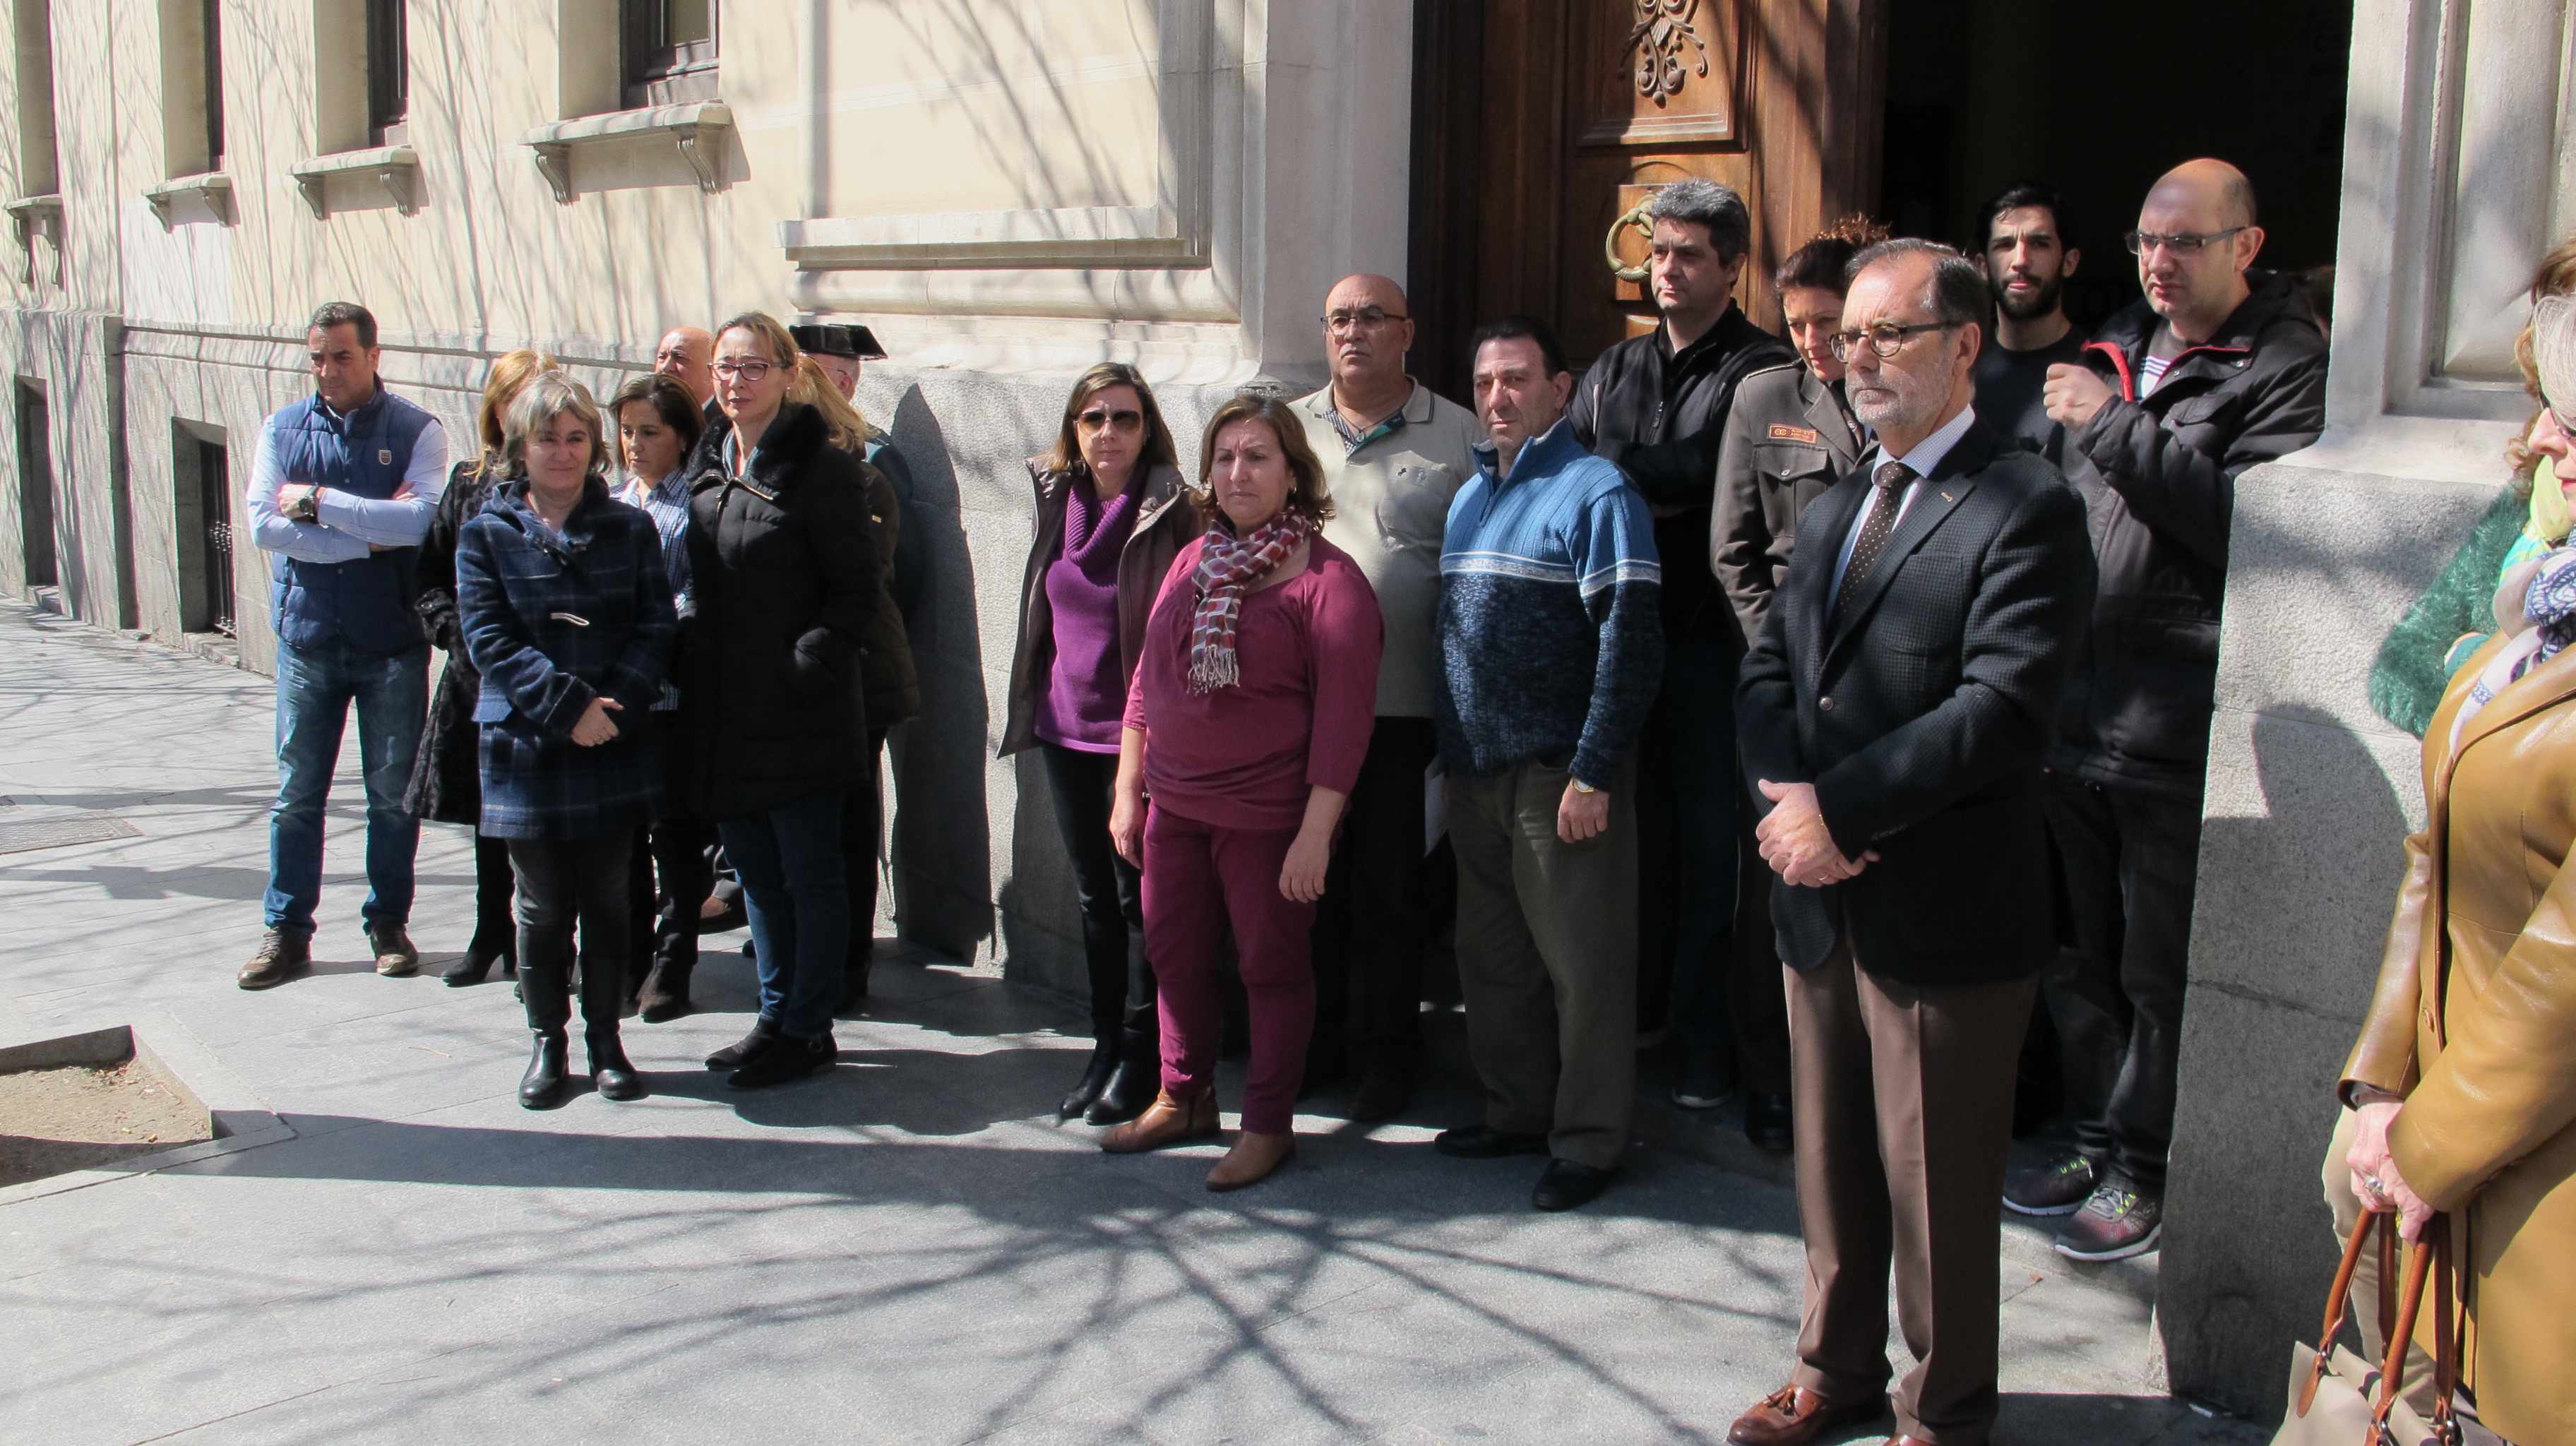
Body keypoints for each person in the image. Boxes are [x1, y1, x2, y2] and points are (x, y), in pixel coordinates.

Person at [1726, 239, 2093, 1446]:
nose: (1854, 353)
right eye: (1851, 333)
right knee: (1829, 1166)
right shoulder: (1838, 501)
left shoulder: (2023, 503)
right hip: (1816, 896)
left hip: (1940, 908)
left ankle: (1943, 1409)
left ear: (1964, 349)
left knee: (1934, 1188)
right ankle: (1833, 1371)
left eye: (1889, 333)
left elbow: (1998, 711)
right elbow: (1772, 665)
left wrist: (1841, 812)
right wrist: (1789, 801)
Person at [2017, 159, 2328, 1260]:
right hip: (2072, 707)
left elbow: (2248, 528)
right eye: (2148, 239)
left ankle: (2145, 1167)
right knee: (2077, 953)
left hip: (2169, 714)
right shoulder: (2109, 342)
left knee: (2154, 967)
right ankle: (2092, 1137)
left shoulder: (2281, 366)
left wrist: (2110, 427)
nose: (2159, 260)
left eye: (2183, 242)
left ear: (2246, 247)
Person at [2332, 294, 2576, 1446]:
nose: (2538, 441)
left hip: (2532, 1169)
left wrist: (2427, 1144)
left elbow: (2563, 972)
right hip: (2456, 1146)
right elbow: (2426, 859)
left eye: (2572, 416)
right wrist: (2379, 1088)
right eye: (2543, 408)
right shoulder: (2528, 613)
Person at [1097, 393, 1383, 1192]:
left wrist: (1315, 833)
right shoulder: (1195, 561)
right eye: (1224, 457)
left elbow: (1344, 725)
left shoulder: (1333, 586)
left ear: (1294, 473)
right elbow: (1147, 684)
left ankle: (1267, 1124)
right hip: (1175, 808)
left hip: (1269, 820)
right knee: (1174, 954)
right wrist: (1128, 788)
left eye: (1257, 456)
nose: (1236, 472)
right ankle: (1184, 1095)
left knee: (1271, 967)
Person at [1569, 178, 1796, 1109]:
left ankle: (1707, 1038)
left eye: (1690, 255)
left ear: (1733, 266)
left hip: (1711, 646)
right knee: (1627, 839)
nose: (1667, 270)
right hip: (1615, 643)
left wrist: (1622, 471)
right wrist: (1635, 478)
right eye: (1659, 252)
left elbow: (1716, 475)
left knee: (1712, 849)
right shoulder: (1614, 370)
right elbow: (1568, 461)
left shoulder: (1763, 369)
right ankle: (1638, 1014)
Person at [1433, 316, 1664, 1214]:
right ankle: (1517, 1110)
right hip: (1475, 772)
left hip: (1557, 773)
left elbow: (1631, 644)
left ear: (1560, 390)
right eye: (1486, 380)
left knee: (1584, 964)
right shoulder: (1469, 493)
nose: (1498, 396)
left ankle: (1590, 1138)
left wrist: (1594, 768)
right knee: (1493, 960)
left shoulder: (1597, 492)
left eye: (1518, 379)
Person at [455, 372, 677, 1109]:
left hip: (613, 737)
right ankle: (548, 1039)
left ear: (594, 447)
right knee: (542, 905)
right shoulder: (485, 534)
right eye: (547, 437)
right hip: (529, 744)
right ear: (522, 445)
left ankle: (606, 1036)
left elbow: (656, 624)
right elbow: (488, 638)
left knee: (612, 898)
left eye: (576, 437)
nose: (562, 451)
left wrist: (616, 704)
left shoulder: (629, 527)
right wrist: (567, 704)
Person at [1293, 273, 1484, 1120]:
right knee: (1311, 885)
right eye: (1340, 318)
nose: (1354, 331)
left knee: (1392, 895)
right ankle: (1317, 1040)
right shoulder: (1286, 429)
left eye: (1373, 316)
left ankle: (1388, 1056)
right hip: (1301, 708)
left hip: (1407, 708)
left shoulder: (1462, 434)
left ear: (1408, 331)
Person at [676, 312, 881, 1090]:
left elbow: (856, 590)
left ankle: (808, 1024)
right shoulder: (709, 459)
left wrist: (806, 665)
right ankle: (773, 1015)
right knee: (756, 873)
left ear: (788, 374)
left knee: (809, 871)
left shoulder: (820, 468)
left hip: (800, 711)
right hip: (726, 710)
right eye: (726, 367)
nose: (736, 380)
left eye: (753, 366)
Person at [1707, 220, 1877, 1152]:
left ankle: (1851, 1079)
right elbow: (1734, 552)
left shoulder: (1900, 406)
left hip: (1879, 696)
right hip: (1781, 689)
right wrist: (1785, 668)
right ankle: (1768, 1078)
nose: (1815, 343)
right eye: (1800, 323)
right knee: (1773, 885)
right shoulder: (1766, 396)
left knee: (1861, 883)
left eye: (1831, 324)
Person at [1001, 364, 1199, 1125]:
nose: (1108, 432)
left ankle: (1144, 1056)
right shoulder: (1059, 499)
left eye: (1124, 417)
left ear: (1147, 428)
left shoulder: (1174, 510)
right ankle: (1103, 1047)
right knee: (1094, 897)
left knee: (1139, 901)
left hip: (1138, 738)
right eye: (1093, 418)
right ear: (1074, 431)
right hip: (1063, 729)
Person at [237, 301, 450, 989]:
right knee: (298, 793)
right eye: (318, 358)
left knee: (392, 794)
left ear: (373, 355)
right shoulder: (282, 427)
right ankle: (287, 930)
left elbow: (419, 520)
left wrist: (319, 500)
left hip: (390, 642)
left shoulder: (416, 430)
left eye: (341, 357)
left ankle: (389, 922)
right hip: (308, 640)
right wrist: (366, 535)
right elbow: (266, 527)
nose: (327, 371)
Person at [2371, 236, 2576, 738]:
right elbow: (2399, 669)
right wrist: (2481, 665)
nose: (2545, 437)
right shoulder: (2539, 487)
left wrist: (2476, 656)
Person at [404, 349, 553, 988]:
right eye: (512, 398)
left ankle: (544, 943)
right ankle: (490, 931)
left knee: (538, 818)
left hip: (541, 677)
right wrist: (449, 628)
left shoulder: (557, 474)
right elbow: (431, 574)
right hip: (474, 678)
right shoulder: (470, 480)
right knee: (489, 821)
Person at [787, 356, 919, 1005]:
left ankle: (848, 959)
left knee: (849, 813)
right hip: (792, 676)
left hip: (860, 671)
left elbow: (868, 580)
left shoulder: (863, 483)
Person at [608, 372, 710, 1022]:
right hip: (613, 699)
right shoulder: (611, 503)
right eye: (626, 432)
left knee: (674, 837)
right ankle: (628, 958)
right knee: (621, 837)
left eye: (650, 432)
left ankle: (676, 958)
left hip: (668, 697)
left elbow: (691, 603)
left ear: (680, 437)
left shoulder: (695, 506)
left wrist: (644, 647)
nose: (635, 445)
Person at [790, 321, 929, 624]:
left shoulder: (872, 455)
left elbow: (902, 567)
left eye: (807, 368)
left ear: (842, 384)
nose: (790, 379)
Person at [1969, 181, 2088, 463]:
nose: (2021, 260)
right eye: (2004, 245)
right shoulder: (1959, 365)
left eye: (2039, 244)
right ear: (1983, 266)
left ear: (2069, 262)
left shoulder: (2097, 369)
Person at [654, 326, 715, 411]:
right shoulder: (644, 416)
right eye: (662, 357)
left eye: (679, 357)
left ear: (712, 369)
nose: (666, 367)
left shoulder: (730, 421)